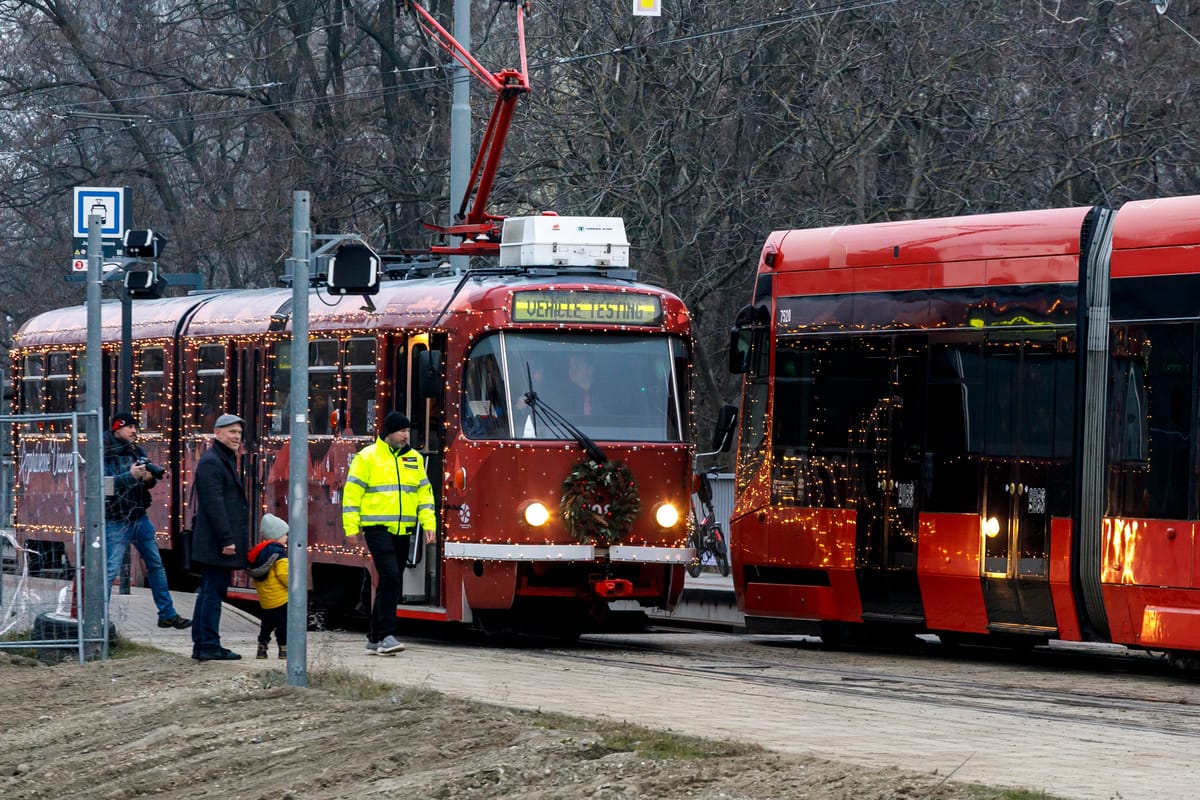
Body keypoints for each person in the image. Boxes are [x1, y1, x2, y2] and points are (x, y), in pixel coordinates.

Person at [342, 411, 437, 655]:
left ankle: (373, 638)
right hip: (376, 528)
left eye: (407, 431)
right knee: (392, 577)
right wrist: (351, 528)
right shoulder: (367, 457)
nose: (406, 435)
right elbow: (352, 495)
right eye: (401, 431)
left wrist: (429, 525)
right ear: (389, 433)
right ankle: (386, 636)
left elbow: (424, 495)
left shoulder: (414, 459)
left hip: (403, 529)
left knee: (389, 581)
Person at [102, 411, 191, 629]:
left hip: (139, 517)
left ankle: (167, 614)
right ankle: (97, 617)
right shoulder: (103, 453)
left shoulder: (135, 451)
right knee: (110, 569)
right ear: (117, 428)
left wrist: (148, 479)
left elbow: (145, 484)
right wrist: (129, 476)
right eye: (130, 427)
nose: (134, 431)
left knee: (156, 566)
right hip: (116, 519)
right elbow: (102, 487)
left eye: (136, 427)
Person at [189, 413, 250, 661]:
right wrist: (227, 539)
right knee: (212, 594)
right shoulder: (212, 462)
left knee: (209, 592)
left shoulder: (221, 459)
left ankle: (205, 644)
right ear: (218, 433)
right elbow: (215, 505)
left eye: (239, 433)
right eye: (232, 432)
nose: (236, 437)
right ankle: (208, 645)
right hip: (216, 543)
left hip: (216, 541)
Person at [247, 513, 289, 660]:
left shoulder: (258, 553)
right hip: (282, 599)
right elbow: (285, 576)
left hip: (266, 600)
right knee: (283, 626)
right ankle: (284, 650)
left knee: (266, 625)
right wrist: (295, 586)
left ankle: (261, 648)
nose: (287, 538)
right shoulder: (279, 555)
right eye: (284, 535)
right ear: (276, 536)